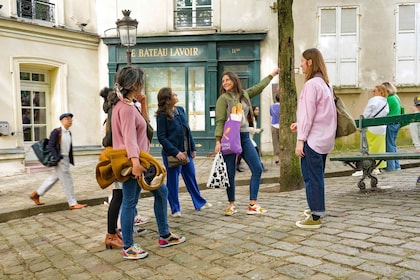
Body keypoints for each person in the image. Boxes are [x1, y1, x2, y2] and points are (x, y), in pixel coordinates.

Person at [111, 66, 185, 260]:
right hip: (134, 161)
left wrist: (142, 102)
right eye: (141, 82)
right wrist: (135, 163)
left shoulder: (128, 104)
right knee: (130, 201)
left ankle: (164, 235)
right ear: (135, 84)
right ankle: (128, 246)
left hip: (142, 159)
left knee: (161, 192)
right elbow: (129, 138)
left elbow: (144, 126)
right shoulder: (125, 108)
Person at [214, 67, 280, 216]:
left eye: (227, 80)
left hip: (244, 137)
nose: (225, 83)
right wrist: (218, 141)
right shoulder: (223, 99)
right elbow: (219, 121)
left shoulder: (244, 95)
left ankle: (253, 204)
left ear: (234, 80)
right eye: (223, 81)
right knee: (230, 172)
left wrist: (272, 74)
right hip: (230, 138)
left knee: (257, 168)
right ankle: (231, 204)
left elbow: (259, 87)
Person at [290, 48, 336, 229]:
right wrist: (299, 124)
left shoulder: (311, 85)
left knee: (311, 178)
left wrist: (300, 139)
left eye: (302, 61)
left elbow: (308, 115)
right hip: (324, 139)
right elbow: (322, 115)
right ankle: (317, 208)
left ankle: (316, 215)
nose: (300, 64)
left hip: (313, 140)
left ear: (309, 62)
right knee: (317, 177)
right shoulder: (325, 84)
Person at [156, 87, 211, 217]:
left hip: (186, 152)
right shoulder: (162, 116)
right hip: (172, 155)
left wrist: (192, 148)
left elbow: (188, 131)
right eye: (173, 94)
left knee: (191, 176)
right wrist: (176, 152)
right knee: (173, 181)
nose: (176, 95)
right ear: (168, 100)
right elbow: (161, 137)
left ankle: (199, 203)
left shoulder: (180, 110)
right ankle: (175, 209)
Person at [29, 113, 87, 210]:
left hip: (65, 159)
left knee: (54, 178)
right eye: (67, 119)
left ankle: (36, 194)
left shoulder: (69, 133)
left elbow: (69, 148)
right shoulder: (56, 132)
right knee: (67, 181)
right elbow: (51, 146)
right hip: (60, 159)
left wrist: (69, 160)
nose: (69, 120)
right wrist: (58, 159)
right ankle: (72, 203)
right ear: (62, 121)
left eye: (71, 119)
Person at [352, 85, 389, 176]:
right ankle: (377, 167)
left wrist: (363, 120)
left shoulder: (374, 100)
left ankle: (367, 167)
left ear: (380, 91)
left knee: (368, 147)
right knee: (380, 148)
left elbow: (367, 113)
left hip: (372, 127)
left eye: (375, 90)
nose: (373, 92)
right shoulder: (385, 102)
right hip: (382, 127)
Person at [382, 81, 402, 171]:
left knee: (388, 145)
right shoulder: (396, 97)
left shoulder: (389, 99)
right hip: (396, 123)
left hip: (390, 123)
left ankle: (390, 166)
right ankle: (396, 165)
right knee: (393, 145)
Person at [248, 106, 267, 172]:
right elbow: (248, 128)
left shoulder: (254, 118)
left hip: (250, 137)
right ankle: (260, 165)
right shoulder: (249, 118)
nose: (257, 111)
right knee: (256, 150)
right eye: (256, 110)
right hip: (248, 138)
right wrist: (257, 130)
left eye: (258, 110)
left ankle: (237, 165)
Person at [270, 93, 280, 164]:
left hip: (274, 124)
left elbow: (271, 114)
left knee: (275, 142)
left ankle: (276, 158)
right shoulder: (284, 106)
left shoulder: (272, 107)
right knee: (282, 142)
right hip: (282, 125)